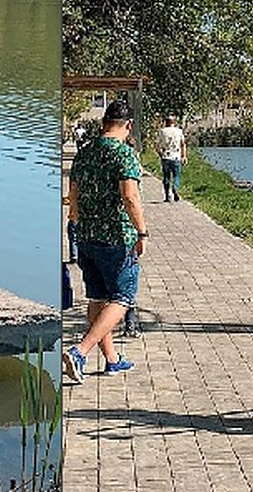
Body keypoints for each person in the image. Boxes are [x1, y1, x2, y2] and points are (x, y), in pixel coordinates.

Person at [63, 99, 148, 382]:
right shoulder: (125, 155)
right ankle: (80, 352)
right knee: (123, 298)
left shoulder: (84, 153)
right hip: (116, 238)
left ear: (103, 123)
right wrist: (141, 231)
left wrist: (75, 219)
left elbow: (72, 192)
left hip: (86, 236)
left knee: (97, 298)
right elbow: (130, 196)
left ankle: (112, 360)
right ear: (129, 126)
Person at [156, 114, 187, 202]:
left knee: (166, 177)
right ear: (174, 122)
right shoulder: (179, 131)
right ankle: (175, 187)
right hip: (176, 156)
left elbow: (157, 145)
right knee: (176, 175)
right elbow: (183, 144)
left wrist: (160, 154)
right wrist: (184, 156)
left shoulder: (162, 131)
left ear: (166, 122)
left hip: (166, 156)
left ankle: (167, 196)